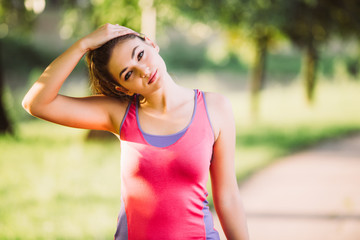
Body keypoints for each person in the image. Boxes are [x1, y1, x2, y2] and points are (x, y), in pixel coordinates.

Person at [22, 23, 249, 240]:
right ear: (122, 88)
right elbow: (36, 103)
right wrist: (83, 44)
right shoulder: (120, 115)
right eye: (128, 74)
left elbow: (227, 198)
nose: (143, 70)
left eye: (140, 55)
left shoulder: (215, 108)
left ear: (150, 43)